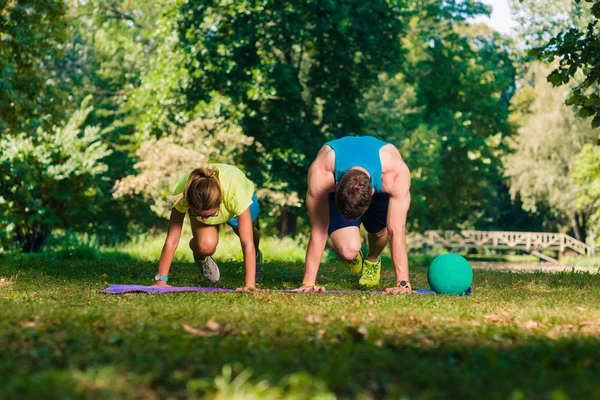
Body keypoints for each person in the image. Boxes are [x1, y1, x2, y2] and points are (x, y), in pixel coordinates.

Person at [298, 136, 413, 295]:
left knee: (381, 232)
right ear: (336, 186)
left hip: (381, 177)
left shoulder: (395, 174)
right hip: (340, 177)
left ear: (373, 192)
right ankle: (344, 248)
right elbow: (319, 229)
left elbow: (397, 232)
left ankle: (372, 259)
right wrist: (308, 282)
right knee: (348, 251)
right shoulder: (322, 172)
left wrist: (403, 284)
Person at [153, 164, 262, 290]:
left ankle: (256, 258)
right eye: (199, 215)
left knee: (252, 238)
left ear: (220, 203)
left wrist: (249, 285)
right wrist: (161, 280)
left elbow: (246, 243)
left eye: (208, 215)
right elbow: (172, 239)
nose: (204, 219)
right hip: (212, 200)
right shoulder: (184, 193)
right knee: (205, 246)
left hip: (242, 197)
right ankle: (201, 257)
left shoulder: (235, 194)